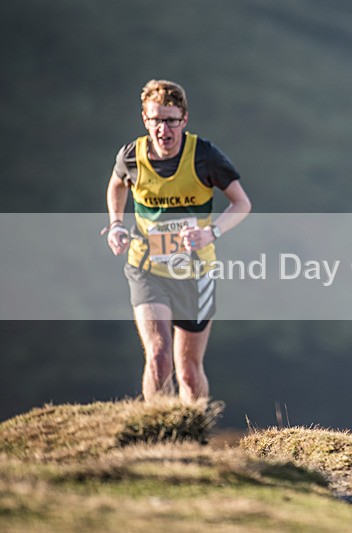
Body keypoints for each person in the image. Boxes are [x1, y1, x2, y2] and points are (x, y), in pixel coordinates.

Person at [104, 79, 251, 402]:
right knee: (159, 358)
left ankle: (194, 428)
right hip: (147, 268)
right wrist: (116, 225)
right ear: (145, 120)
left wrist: (210, 232)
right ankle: (158, 430)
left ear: (184, 120)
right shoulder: (131, 156)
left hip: (196, 272)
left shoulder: (205, 156)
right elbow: (116, 185)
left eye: (171, 120)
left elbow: (242, 204)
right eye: (156, 120)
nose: (163, 130)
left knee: (188, 371)